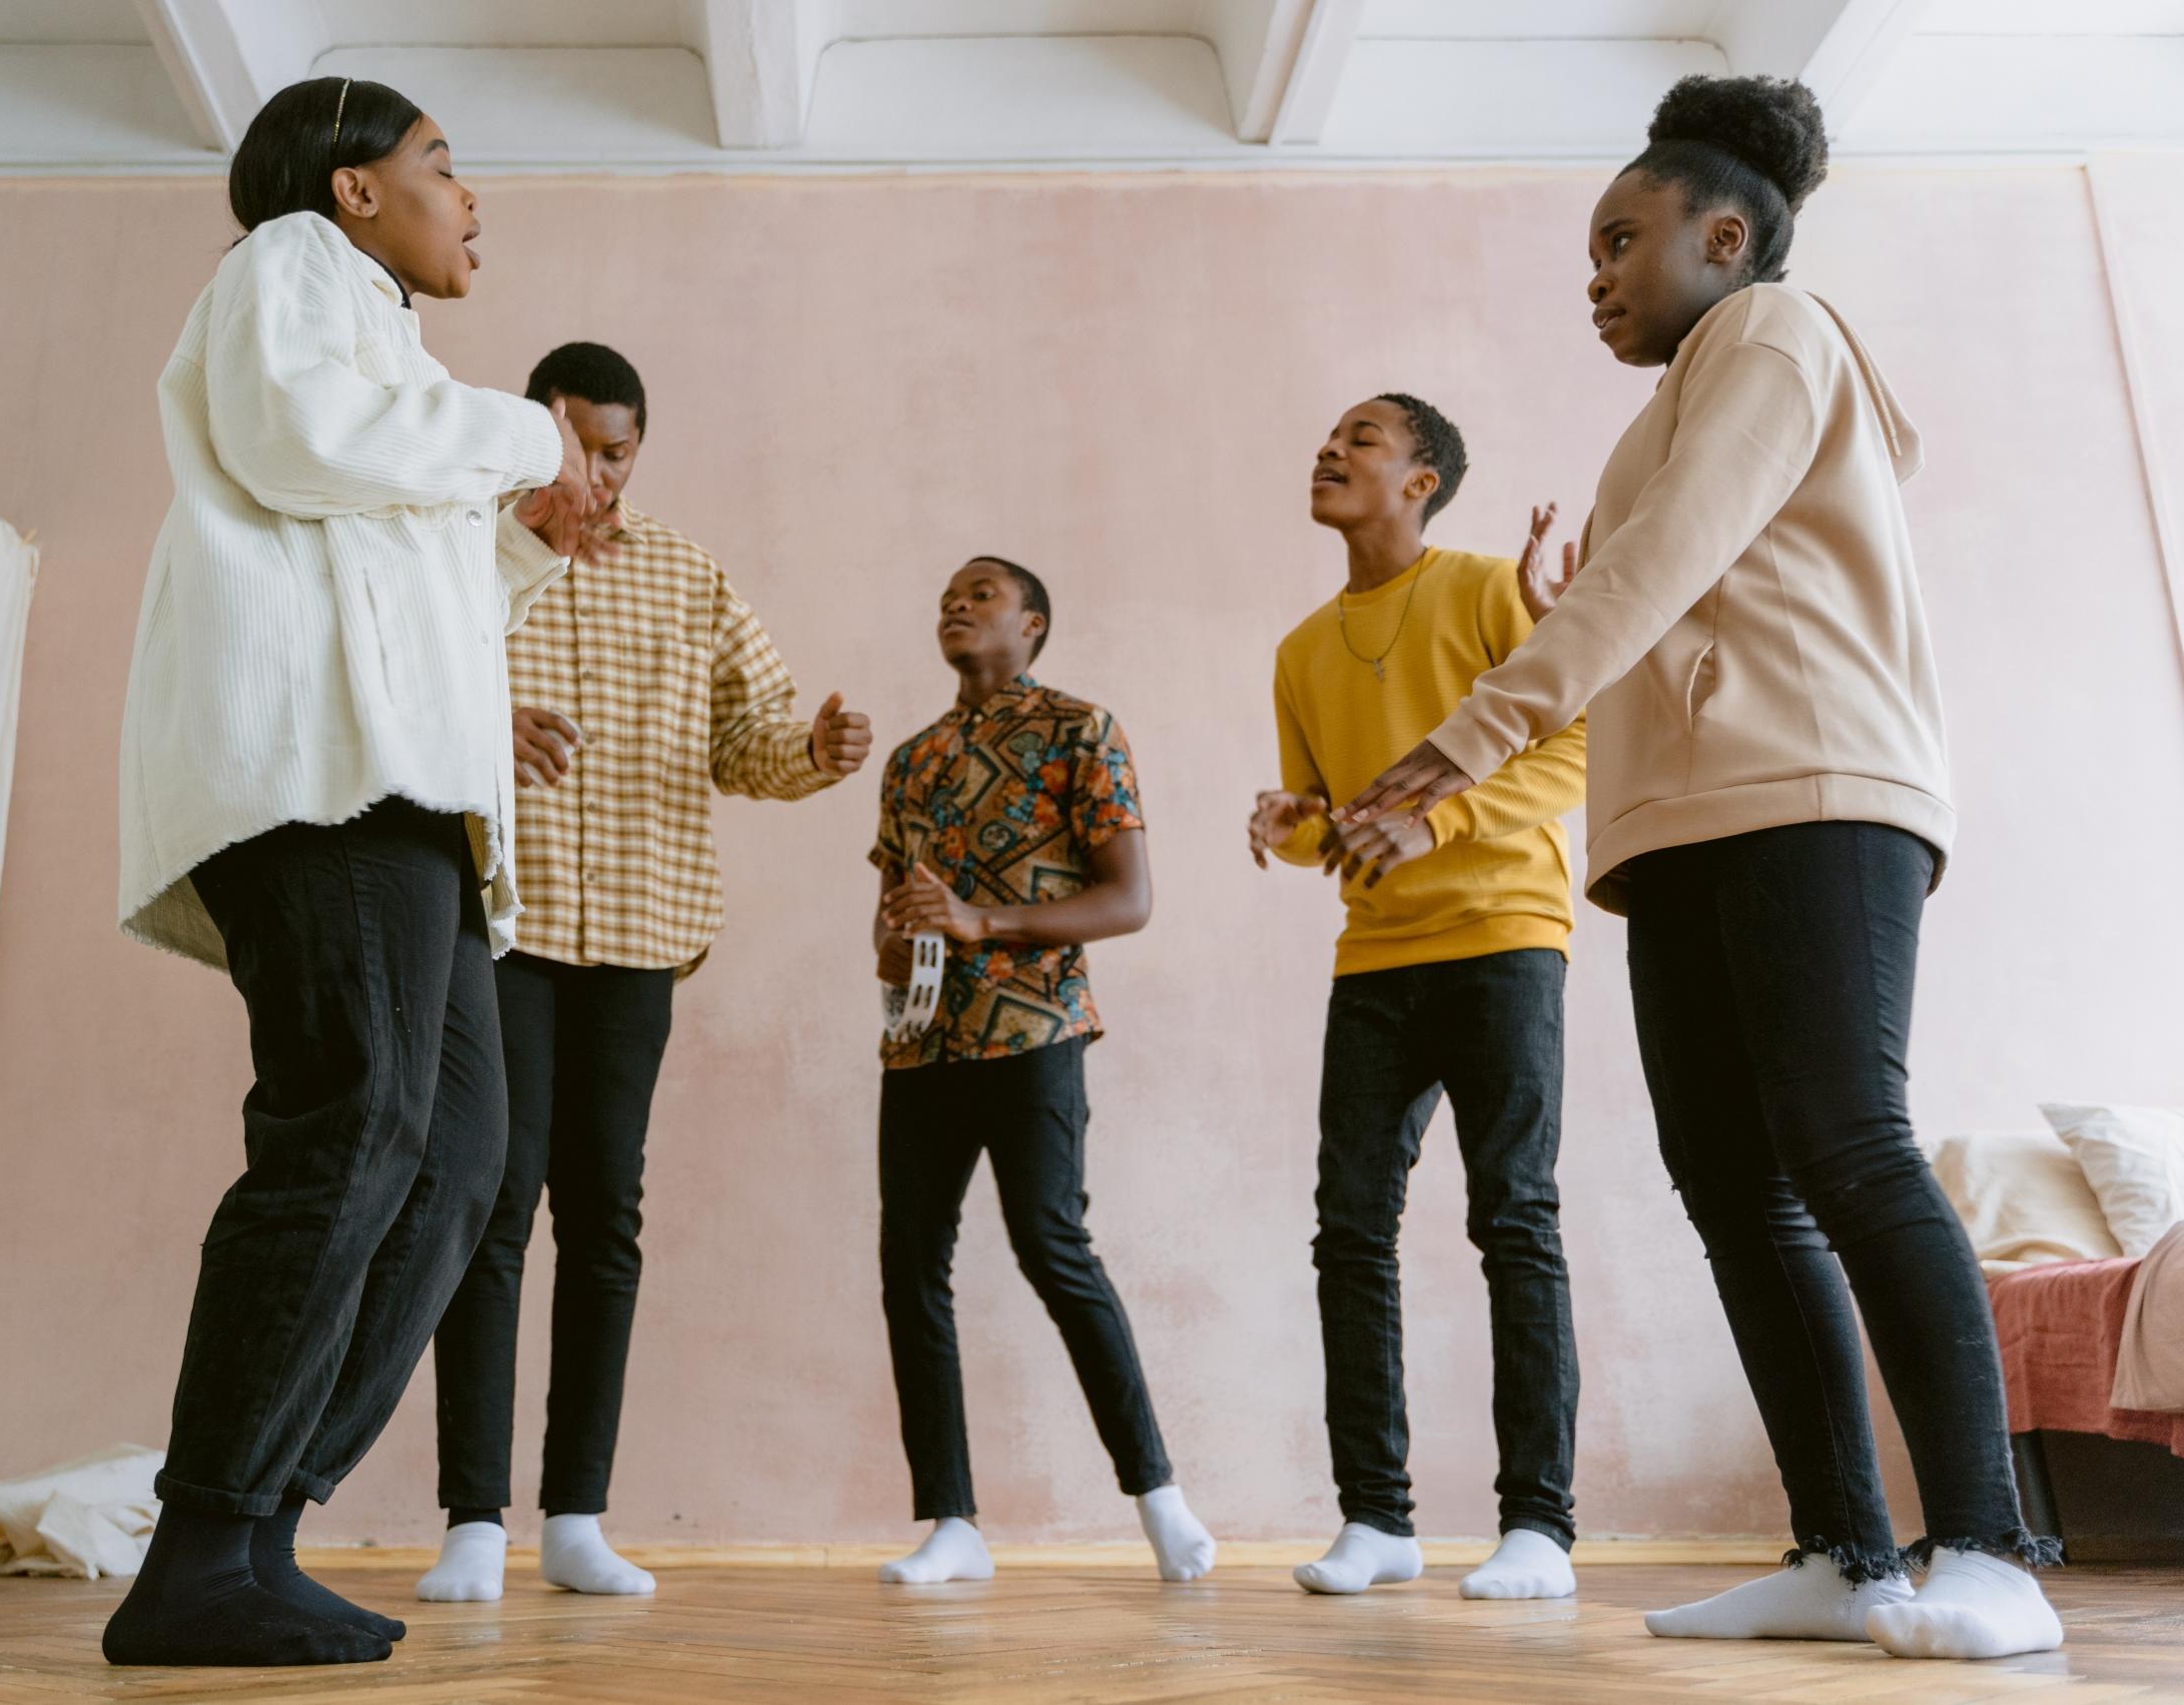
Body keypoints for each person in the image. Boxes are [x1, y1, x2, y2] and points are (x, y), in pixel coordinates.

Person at [1342, 74, 2062, 1661]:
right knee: (1734, 1185)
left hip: (1813, 793)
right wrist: (1554, 618)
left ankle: (1993, 1547)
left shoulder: (1775, 334)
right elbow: (1660, 595)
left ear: (1725, 235)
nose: (1593, 274)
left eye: (1620, 239)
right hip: (1676, 831)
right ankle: (1846, 1551)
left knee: (1853, 1147)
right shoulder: (1665, 409)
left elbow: (1678, 565)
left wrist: (1464, 741)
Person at [104, 76, 597, 1667]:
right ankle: (201, 1543)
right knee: (358, 1120)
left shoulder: (379, 338)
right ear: (353, 186)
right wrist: (540, 431)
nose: (473, 200)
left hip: (405, 787)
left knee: (455, 1155)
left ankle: (257, 1520)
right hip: (328, 784)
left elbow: (386, 565)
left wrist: (518, 552)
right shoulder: (291, 267)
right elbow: (300, 441)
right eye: (445, 166)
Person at [418, 343, 874, 1603]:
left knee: (604, 1221)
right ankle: (472, 1521)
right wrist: (479, 725)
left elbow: (750, 743)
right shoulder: (458, 549)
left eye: (618, 451)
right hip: (502, 922)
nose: (599, 473)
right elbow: (398, 688)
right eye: (577, 445)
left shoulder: (686, 573)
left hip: (643, 927)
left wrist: (819, 751)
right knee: (489, 1213)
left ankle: (577, 1518)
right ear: (528, 433)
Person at [1249, 395, 1587, 1601]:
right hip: (1374, 960)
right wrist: (1290, 826)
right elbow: (1334, 821)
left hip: (1504, 937)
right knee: (1349, 1230)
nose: (1330, 449)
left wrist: (1435, 816)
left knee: (1513, 1218)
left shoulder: (1493, 589)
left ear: (1423, 479)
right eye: (1326, 434)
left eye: (1362, 439)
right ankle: (1376, 1523)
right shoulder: (1297, 649)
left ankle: (1538, 1532)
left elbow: (1572, 748)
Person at [867, 556, 1214, 1587]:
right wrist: (904, 938)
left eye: (982, 592)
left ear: (1036, 625)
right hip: (921, 1043)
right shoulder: (911, 759)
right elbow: (887, 930)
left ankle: (1159, 1500)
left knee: (1052, 1245)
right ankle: (950, 1525)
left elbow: (1128, 900)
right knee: (908, 1271)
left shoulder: (1080, 729)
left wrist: (981, 924)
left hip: (1035, 1032)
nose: (956, 603)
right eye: (946, 595)